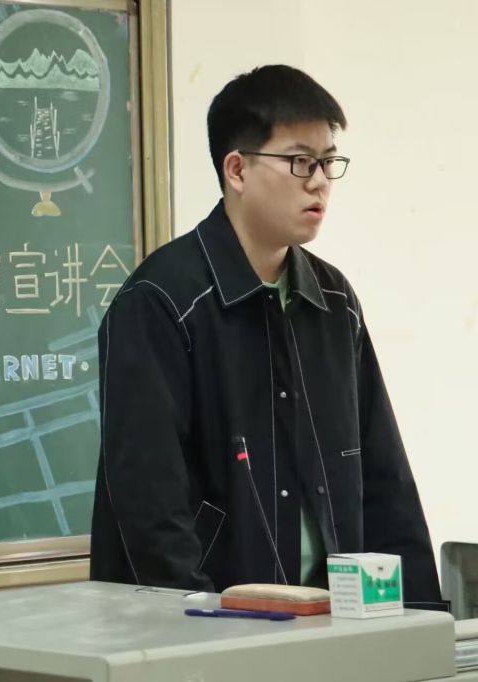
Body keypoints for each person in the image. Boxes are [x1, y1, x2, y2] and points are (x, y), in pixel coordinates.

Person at [89, 64, 445, 609]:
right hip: (213, 629)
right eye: (300, 161)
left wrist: (422, 620)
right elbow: (149, 507)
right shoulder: (161, 302)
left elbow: (384, 475)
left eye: (328, 162)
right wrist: (200, 627)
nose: (319, 181)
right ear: (237, 169)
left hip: (335, 620)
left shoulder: (333, 299)